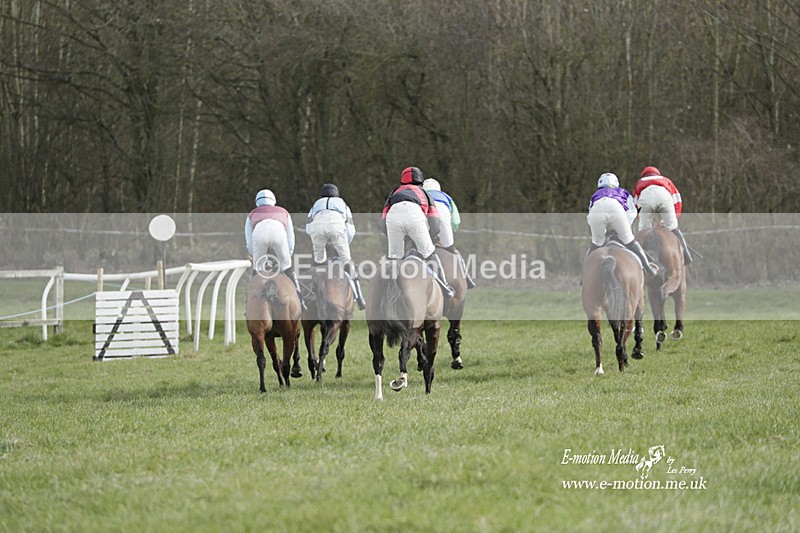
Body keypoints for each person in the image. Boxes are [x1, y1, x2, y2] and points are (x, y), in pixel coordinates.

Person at [381, 166, 454, 297]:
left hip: (393, 218)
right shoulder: (424, 193)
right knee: (429, 253)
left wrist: (397, 239)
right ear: (420, 181)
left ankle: (386, 289)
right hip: (415, 216)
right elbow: (435, 223)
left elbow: (383, 222)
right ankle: (445, 286)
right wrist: (428, 238)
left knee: (394, 258)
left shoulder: (394, 193)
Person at [305, 183, 366, 310]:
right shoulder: (343, 205)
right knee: (348, 263)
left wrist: (321, 242)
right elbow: (350, 231)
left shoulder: (315, 205)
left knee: (318, 264)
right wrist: (343, 245)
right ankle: (360, 299)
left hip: (317, 231)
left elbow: (309, 229)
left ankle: (310, 294)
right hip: (337, 230)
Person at [587, 172, 658, 276]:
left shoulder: (595, 195)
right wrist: (624, 230)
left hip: (596, 209)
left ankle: (584, 274)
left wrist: (602, 233)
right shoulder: (623, 192)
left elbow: (590, 217)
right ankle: (649, 268)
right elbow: (632, 213)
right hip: (615, 208)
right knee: (630, 240)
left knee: (596, 243)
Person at [245, 188, 305, 308]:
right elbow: (290, 239)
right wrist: (287, 256)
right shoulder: (284, 212)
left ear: (257, 202)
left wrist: (254, 256)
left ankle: (248, 302)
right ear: (274, 201)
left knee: (257, 270)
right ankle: (299, 299)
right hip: (279, 234)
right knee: (287, 268)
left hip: (259, 235)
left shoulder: (252, 214)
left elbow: (249, 242)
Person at [422, 177, 475, 289]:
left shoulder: (420, 196)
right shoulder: (447, 198)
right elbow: (456, 221)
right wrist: (450, 231)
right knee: (453, 251)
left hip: (425, 230)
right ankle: (467, 277)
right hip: (443, 228)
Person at [633, 166, 693, 265]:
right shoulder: (666, 180)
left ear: (643, 175)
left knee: (643, 232)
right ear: (658, 174)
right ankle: (686, 254)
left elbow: (635, 205)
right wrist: (672, 220)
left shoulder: (639, 182)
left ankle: (639, 259)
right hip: (664, 197)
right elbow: (677, 201)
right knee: (673, 228)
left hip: (645, 199)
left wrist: (643, 219)